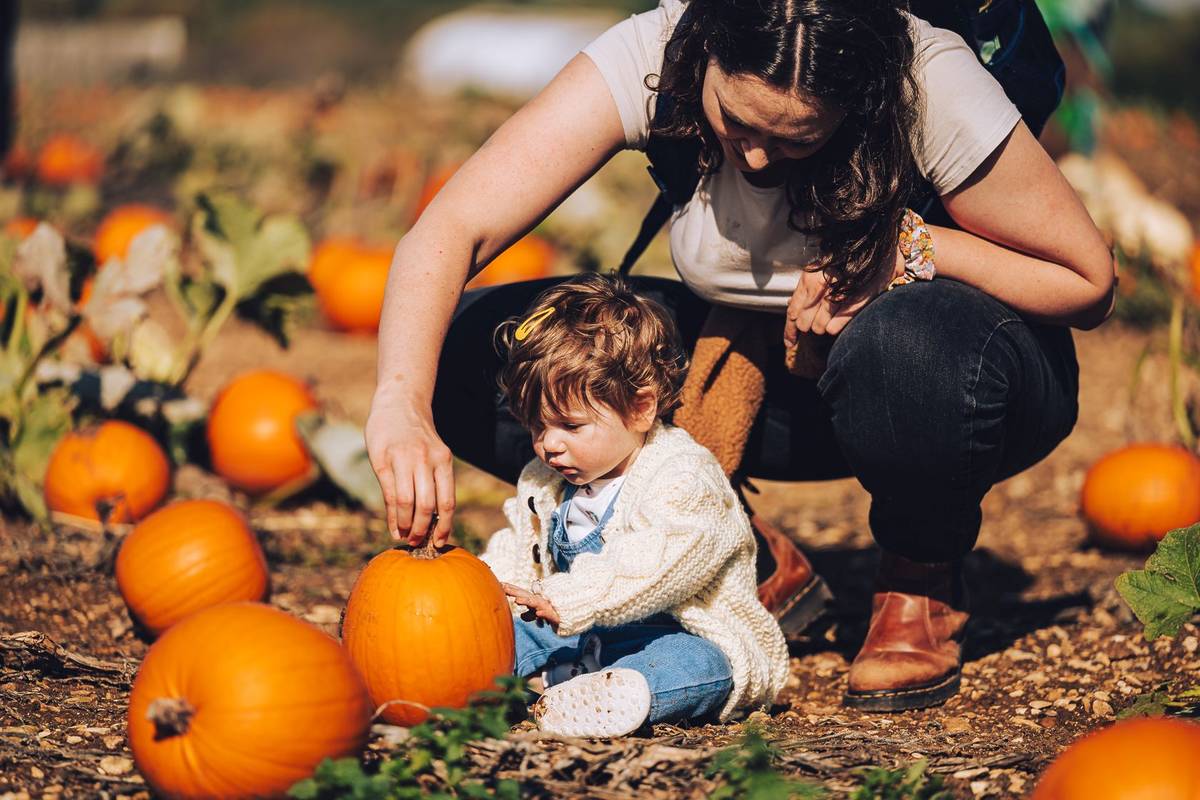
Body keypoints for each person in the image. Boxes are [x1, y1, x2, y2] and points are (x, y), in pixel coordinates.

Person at [367, 0, 1115, 712]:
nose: (757, 156)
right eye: (737, 121)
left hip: (951, 380)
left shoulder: (928, 80)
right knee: (475, 347)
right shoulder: (655, 54)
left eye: (796, 138)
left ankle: (921, 570)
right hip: (762, 373)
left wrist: (903, 250)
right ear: (707, 48)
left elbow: (1085, 280)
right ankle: (730, 557)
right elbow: (450, 230)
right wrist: (400, 404)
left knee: (905, 347)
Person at [476, 273, 788, 737]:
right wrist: (482, 590)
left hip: (675, 631)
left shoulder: (684, 476)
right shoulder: (545, 480)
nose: (548, 445)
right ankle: (486, 682)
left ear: (641, 409)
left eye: (570, 426)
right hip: (580, 631)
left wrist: (569, 599)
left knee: (701, 665)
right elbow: (521, 544)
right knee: (498, 636)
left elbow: (657, 561)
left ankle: (620, 694)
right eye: (538, 427)